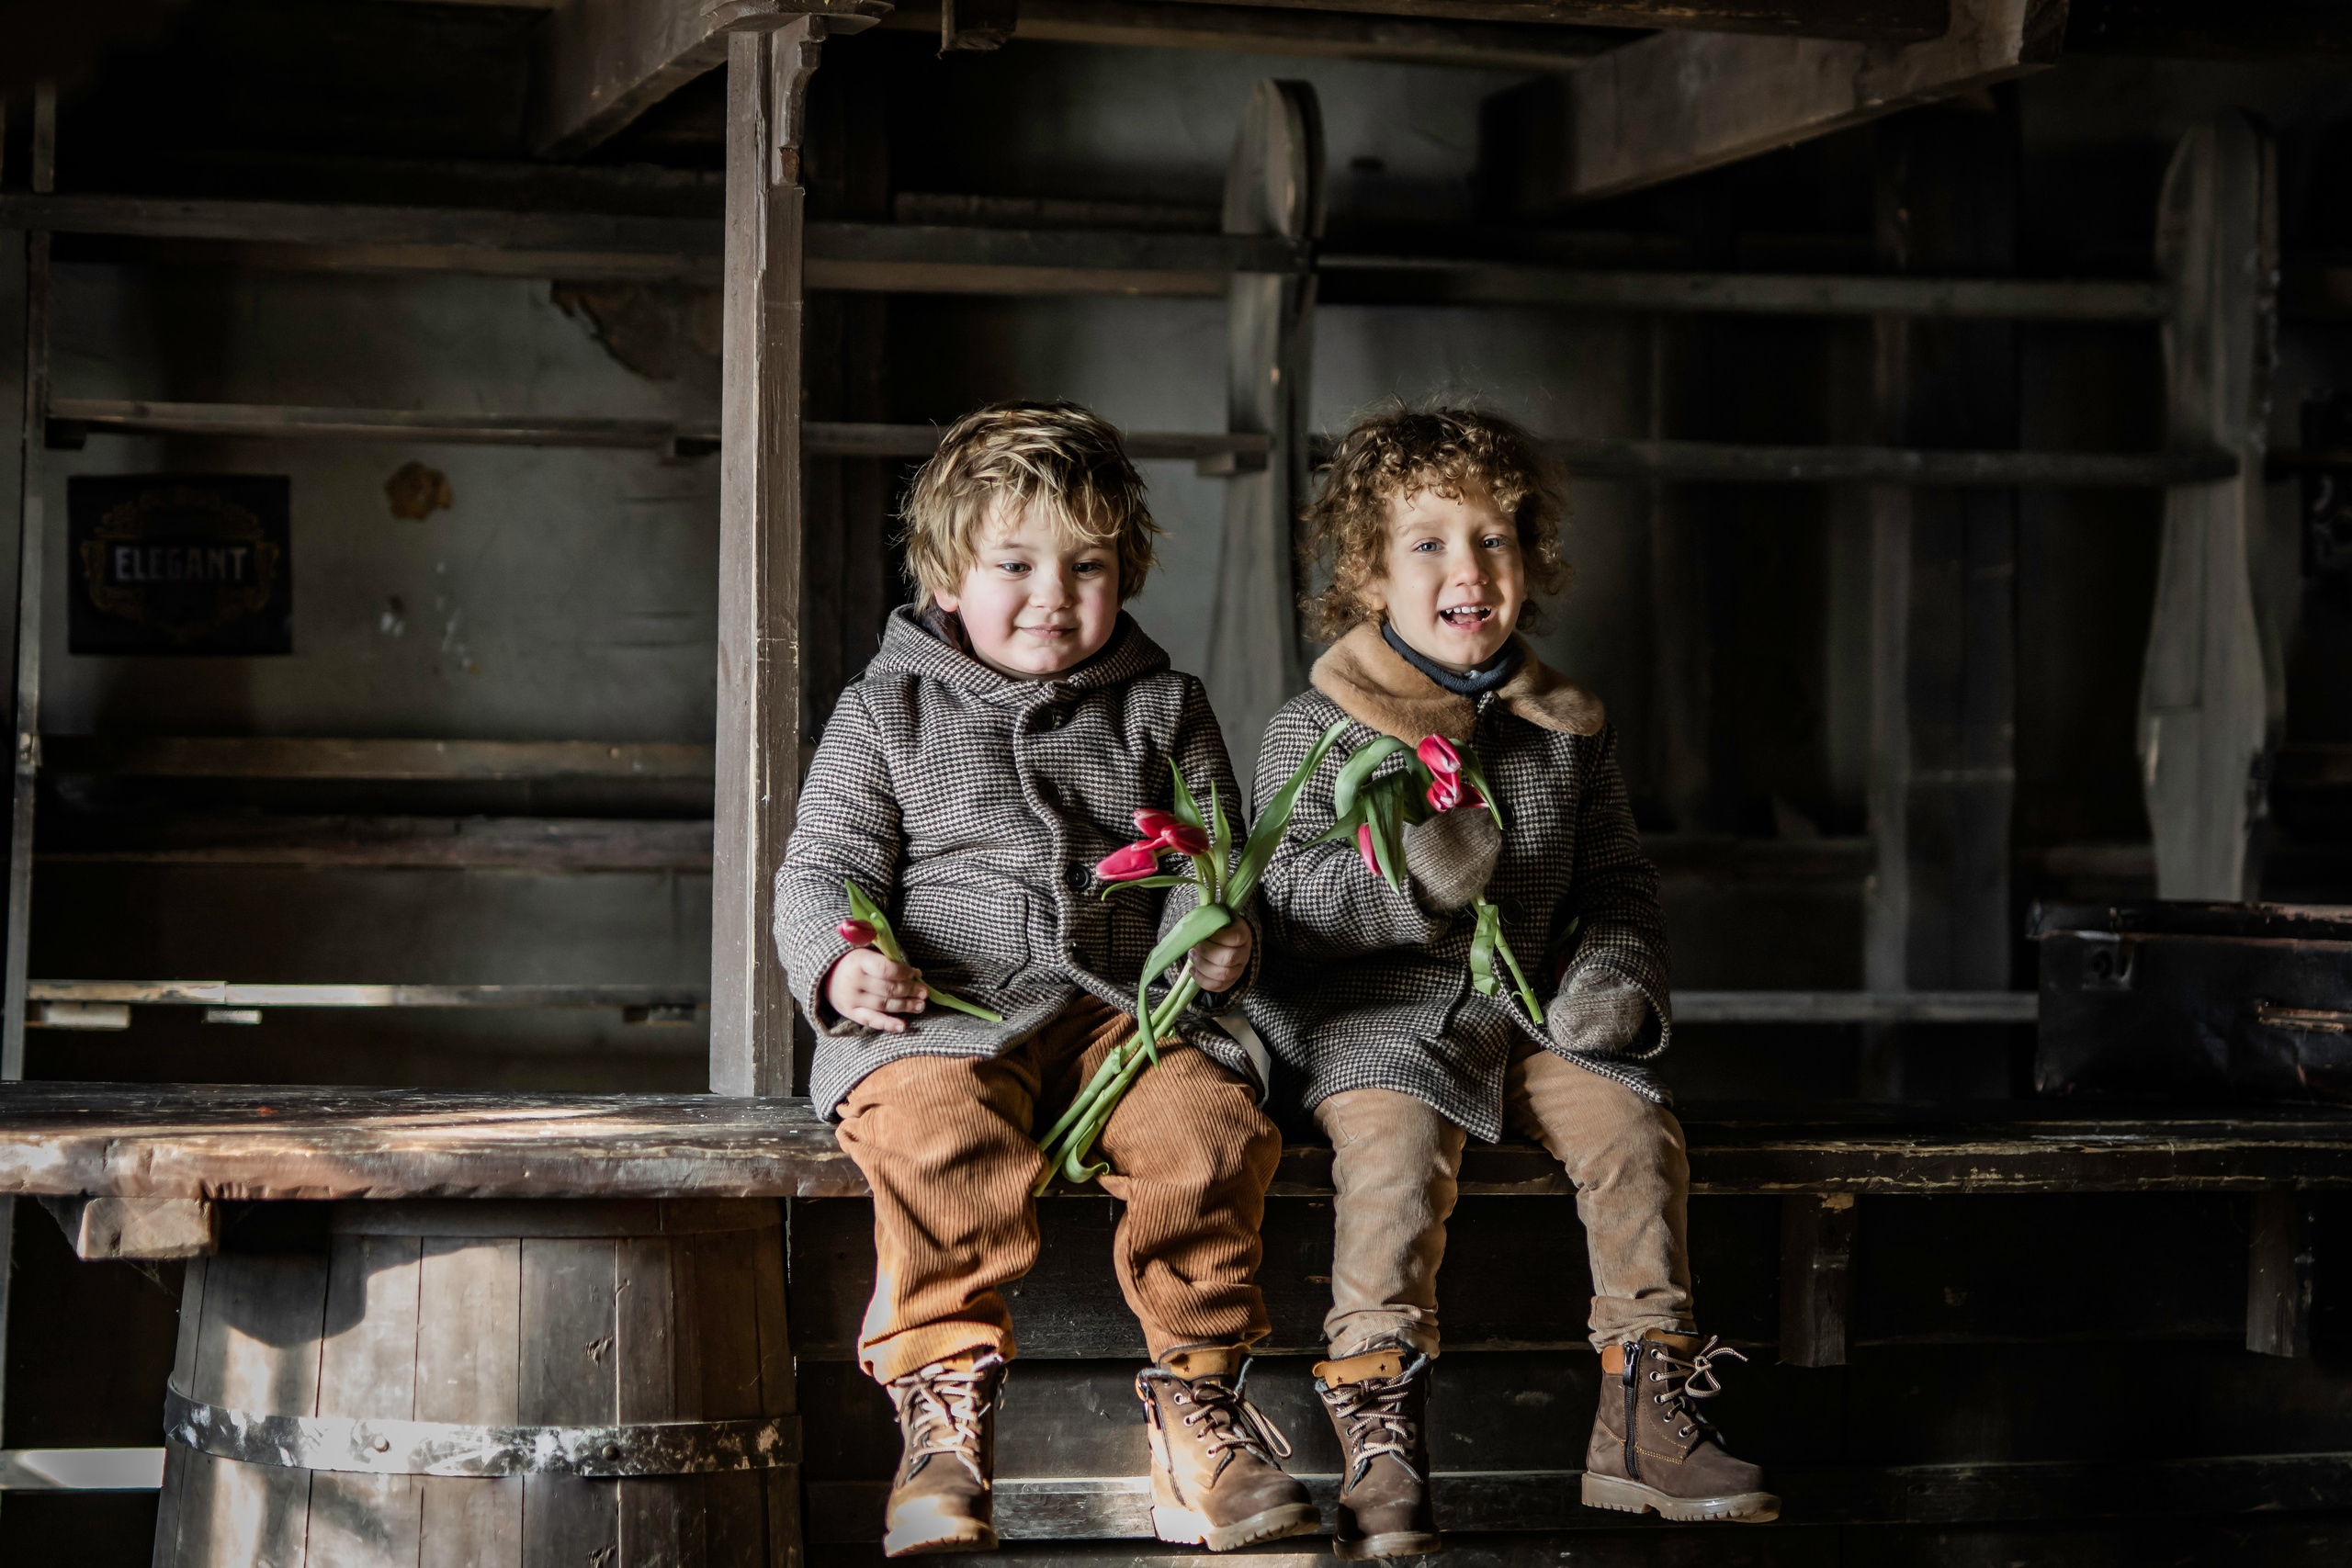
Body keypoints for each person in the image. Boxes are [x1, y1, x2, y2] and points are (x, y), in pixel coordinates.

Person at [776, 402, 1317, 1558]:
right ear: (945, 572)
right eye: (1012, 564)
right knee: (933, 1131)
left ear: (1126, 574)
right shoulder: (888, 710)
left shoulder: (1162, 705)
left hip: (1120, 1014)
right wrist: (848, 959)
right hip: (945, 1014)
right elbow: (823, 862)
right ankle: (942, 1412)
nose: (1050, 595)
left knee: (1209, 1129)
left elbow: (1210, 854)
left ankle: (1199, 1406)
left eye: (1088, 567)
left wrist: (1213, 940)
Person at [1245, 404, 1779, 1554]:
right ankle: (1379, 1432)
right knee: (1390, 1161)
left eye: (1495, 539)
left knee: (1634, 1130)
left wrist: (1612, 977)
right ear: (1369, 572)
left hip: (1536, 1016)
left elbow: (1618, 885)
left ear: (1531, 562)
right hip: (1377, 1024)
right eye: (1428, 542)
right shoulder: (1317, 730)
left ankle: (1644, 1417)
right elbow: (1283, 912)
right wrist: (1414, 886)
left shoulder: (1566, 729)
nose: (1468, 568)